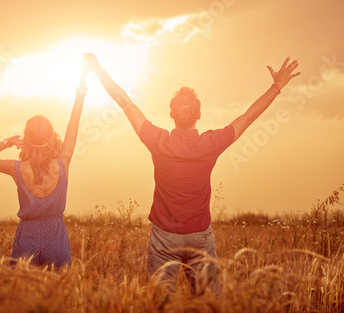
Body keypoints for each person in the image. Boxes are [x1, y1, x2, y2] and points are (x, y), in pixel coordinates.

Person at [84, 54, 300, 296]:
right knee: (208, 304)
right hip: (199, 238)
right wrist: (276, 87)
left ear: (171, 115)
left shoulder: (158, 141)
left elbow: (124, 102)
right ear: (199, 115)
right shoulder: (211, 143)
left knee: (158, 304)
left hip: (164, 237)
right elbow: (248, 117)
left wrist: (97, 68)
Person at [0, 56, 89, 269]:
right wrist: (82, 82)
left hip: (27, 236)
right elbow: (74, 119)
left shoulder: (16, 168)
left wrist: (7, 142)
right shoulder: (63, 161)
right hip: (56, 236)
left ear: (26, 138)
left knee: (21, 294)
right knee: (58, 294)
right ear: (51, 137)